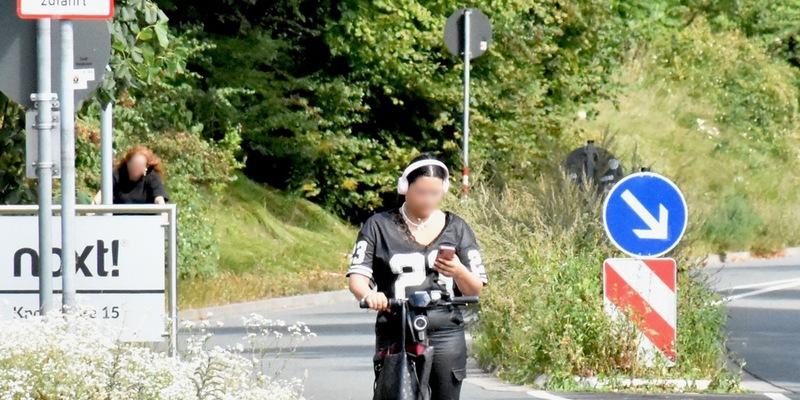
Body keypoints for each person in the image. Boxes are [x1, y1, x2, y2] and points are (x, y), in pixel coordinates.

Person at [347, 154, 489, 400]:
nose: (428, 199)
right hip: (396, 327)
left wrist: (458, 270)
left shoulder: (458, 228)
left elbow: (474, 289)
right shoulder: (378, 226)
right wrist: (370, 295)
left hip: (444, 329)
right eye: (421, 192)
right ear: (404, 188)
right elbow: (357, 277)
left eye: (435, 193)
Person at [93, 145, 168, 205]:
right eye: (134, 165)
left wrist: (164, 216)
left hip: (145, 221)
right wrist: (92, 208)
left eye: (139, 165)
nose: (136, 169)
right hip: (119, 220)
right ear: (127, 163)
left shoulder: (151, 177)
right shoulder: (117, 175)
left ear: (146, 167)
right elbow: (102, 194)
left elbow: (159, 199)